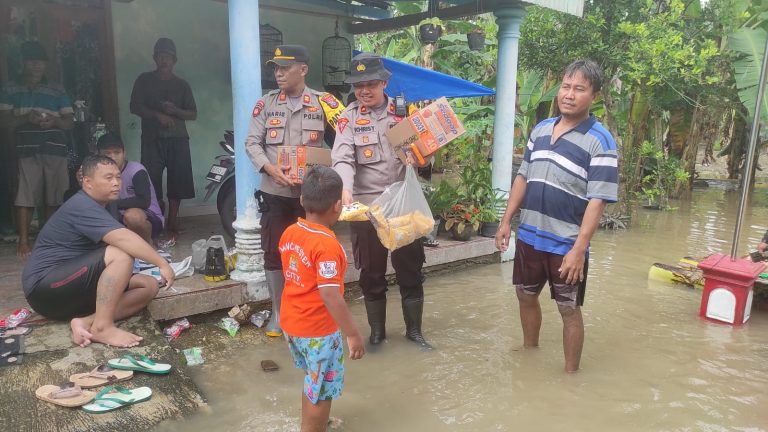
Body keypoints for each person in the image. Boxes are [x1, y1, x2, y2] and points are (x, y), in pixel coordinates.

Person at [495, 59, 618, 373]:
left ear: (594, 96)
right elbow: (523, 176)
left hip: (566, 243)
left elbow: (598, 200)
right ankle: (529, 349)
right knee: (524, 295)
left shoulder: (600, 141)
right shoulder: (541, 129)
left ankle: (570, 374)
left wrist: (579, 249)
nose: (569, 94)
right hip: (530, 234)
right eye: (566, 86)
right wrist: (506, 220)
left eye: (579, 89)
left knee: (568, 308)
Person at [21, 154, 175, 348]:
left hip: (75, 286)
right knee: (120, 254)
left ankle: (86, 322)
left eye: (118, 177)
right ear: (88, 182)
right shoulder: (81, 205)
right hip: (45, 290)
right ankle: (103, 328)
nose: (116, 183)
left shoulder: (107, 205)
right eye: (108, 178)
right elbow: (122, 238)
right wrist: (162, 263)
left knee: (149, 285)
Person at [331, 52, 432, 349]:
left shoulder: (405, 112)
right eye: (359, 84)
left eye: (371, 83)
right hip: (367, 209)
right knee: (371, 273)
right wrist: (344, 189)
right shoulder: (348, 118)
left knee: (410, 270)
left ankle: (414, 331)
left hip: (403, 207)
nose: (364, 90)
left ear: (384, 83)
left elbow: (427, 154)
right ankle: (377, 334)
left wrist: (424, 157)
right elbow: (343, 158)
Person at [245, 45, 343, 337]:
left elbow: (342, 142)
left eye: (284, 68)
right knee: (274, 251)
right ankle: (278, 312)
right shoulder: (266, 103)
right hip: (274, 192)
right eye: (275, 68)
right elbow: (252, 143)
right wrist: (270, 168)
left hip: (311, 196)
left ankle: (312, 311)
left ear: (303, 69)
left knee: (311, 253)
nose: (278, 73)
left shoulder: (325, 103)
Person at [278, 166, 365, 431]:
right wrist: (352, 333)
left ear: (302, 200)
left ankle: (316, 423)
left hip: (292, 323)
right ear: (338, 206)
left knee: (313, 380)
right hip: (317, 331)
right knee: (322, 390)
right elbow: (329, 294)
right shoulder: (326, 245)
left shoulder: (290, 233)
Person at [0, 41, 74, 258]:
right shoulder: (10, 88)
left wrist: (54, 122)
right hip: (25, 148)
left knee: (54, 194)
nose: (36, 66)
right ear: (23, 63)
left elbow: (69, 121)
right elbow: (2, 119)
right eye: (32, 61)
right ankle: (23, 241)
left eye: (40, 62)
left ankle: (48, 239)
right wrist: (26, 117)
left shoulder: (56, 88)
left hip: (54, 147)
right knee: (25, 195)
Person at [129, 37, 197, 238]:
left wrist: (175, 110)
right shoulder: (144, 80)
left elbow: (193, 114)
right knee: (151, 180)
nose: (164, 60)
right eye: (161, 56)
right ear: (155, 58)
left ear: (174, 60)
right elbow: (134, 106)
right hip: (152, 138)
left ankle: (173, 219)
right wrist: (157, 115)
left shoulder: (182, 85)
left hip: (178, 138)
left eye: (168, 57)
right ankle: (157, 218)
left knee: (179, 180)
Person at [96, 132, 165, 244]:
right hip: (119, 219)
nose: (112, 157)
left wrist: (112, 203)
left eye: (117, 152)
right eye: (107, 153)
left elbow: (144, 201)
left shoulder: (136, 170)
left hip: (149, 219)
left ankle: (148, 246)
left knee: (132, 216)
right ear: (98, 155)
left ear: (124, 153)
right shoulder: (97, 173)